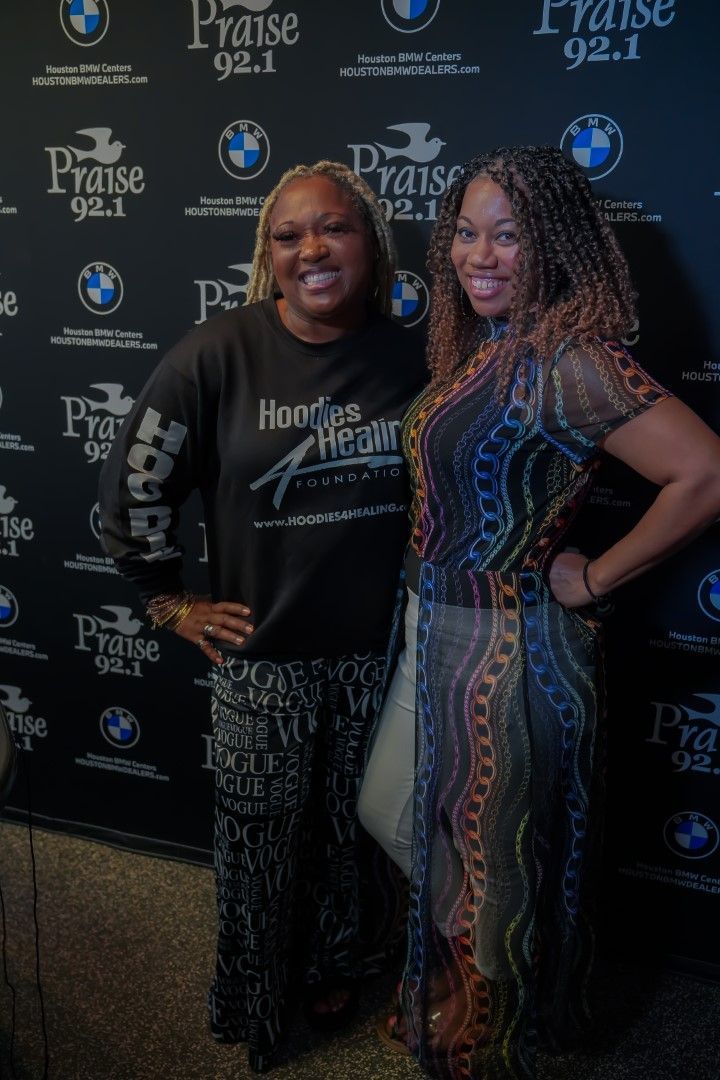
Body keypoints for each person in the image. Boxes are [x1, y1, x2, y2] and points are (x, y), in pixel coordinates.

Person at [357, 144, 720, 1078]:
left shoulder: (571, 360)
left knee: (494, 856)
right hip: (431, 627)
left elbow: (704, 472)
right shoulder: (483, 345)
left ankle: (485, 1025)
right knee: (394, 809)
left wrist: (594, 577)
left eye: (508, 236)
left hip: (508, 646)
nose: (481, 255)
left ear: (553, 245)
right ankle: (467, 977)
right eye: (467, 233)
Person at [98, 160, 426, 1073]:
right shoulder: (217, 355)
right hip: (264, 662)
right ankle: (251, 992)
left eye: (334, 229)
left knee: (355, 833)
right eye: (288, 236)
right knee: (257, 841)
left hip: (380, 657)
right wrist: (169, 602)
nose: (311, 249)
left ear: (372, 242)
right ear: (267, 254)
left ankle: (336, 962)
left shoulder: (416, 355)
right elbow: (133, 489)